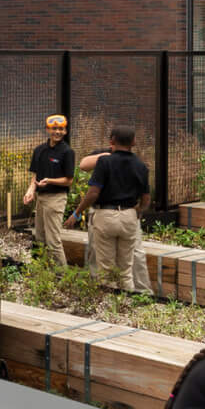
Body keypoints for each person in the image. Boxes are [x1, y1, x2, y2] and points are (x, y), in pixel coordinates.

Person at [76, 125, 149, 293]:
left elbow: (93, 192)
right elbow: (146, 198)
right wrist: (137, 212)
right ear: (134, 142)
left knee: (105, 267)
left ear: (112, 141)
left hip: (105, 214)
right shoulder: (140, 165)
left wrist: (77, 212)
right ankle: (130, 301)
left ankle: (108, 303)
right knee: (126, 269)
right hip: (129, 215)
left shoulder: (104, 161)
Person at [22, 114, 75, 266]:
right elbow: (35, 176)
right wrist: (30, 190)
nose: (57, 132)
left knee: (53, 241)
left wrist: (50, 181)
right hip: (41, 198)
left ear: (65, 131)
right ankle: (41, 272)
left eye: (60, 129)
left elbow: (69, 180)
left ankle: (62, 277)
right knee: (39, 238)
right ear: (47, 130)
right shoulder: (39, 150)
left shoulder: (67, 152)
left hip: (56, 199)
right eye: (54, 129)